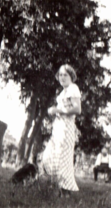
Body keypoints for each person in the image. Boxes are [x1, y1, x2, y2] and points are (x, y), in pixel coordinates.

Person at [43, 64, 81, 198]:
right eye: (60, 75)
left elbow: (77, 109)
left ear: (71, 76)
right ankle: (59, 192)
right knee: (50, 158)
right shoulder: (63, 92)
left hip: (67, 129)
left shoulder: (73, 88)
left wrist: (57, 110)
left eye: (65, 74)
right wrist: (53, 111)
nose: (62, 77)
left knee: (63, 161)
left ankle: (65, 195)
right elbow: (63, 110)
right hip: (58, 128)